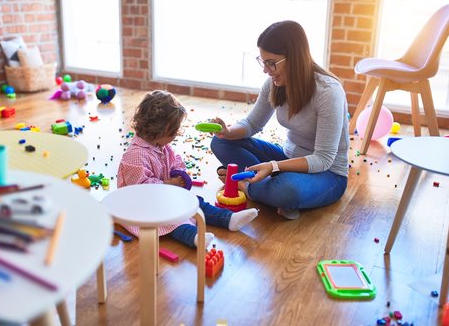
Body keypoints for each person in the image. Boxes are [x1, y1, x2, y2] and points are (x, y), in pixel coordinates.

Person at [210, 20, 349, 220]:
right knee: (221, 142)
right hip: (287, 159)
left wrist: (274, 167)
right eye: (263, 61)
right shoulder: (274, 83)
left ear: (295, 59)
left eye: (271, 63)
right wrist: (228, 132)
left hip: (328, 174)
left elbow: (323, 160)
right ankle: (265, 188)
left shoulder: (328, 92)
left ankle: (247, 185)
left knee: (287, 191)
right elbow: (252, 125)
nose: (265, 70)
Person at [117, 90, 258, 248]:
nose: (177, 134)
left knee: (195, 203)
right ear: (164, 130)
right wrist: (168, 185)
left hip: (163, 197)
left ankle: (229, 219)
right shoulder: (135, 155)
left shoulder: (162, 146)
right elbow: (141, 191)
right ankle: (194, 237)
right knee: (173, 220)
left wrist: (180, 175)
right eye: (175, 131)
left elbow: (175, 162)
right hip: (141, 208)